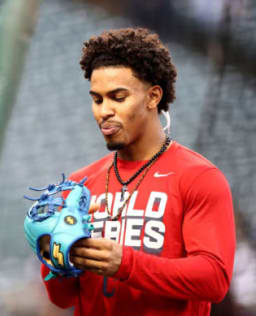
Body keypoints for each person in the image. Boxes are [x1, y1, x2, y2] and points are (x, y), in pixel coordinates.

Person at [39, 28, 236, 315]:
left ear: (153, 97)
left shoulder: (199, 177)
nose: (104, 111)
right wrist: (50, 253)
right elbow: (63, 298)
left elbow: (214, 279)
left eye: (118, 97)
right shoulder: (78, 185)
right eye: (97, 99)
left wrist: (126, 264)